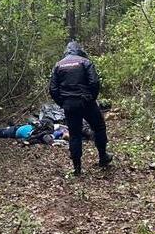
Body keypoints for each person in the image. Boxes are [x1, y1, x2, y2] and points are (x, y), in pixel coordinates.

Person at [48, 41, 112, 176]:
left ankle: (77, 168)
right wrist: (91, 98)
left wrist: (62, 102)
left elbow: (53, 88)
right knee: (99, 127)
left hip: (69, 105)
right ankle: (103, 157)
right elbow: (94, 82)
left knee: (75, 134)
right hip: (86, 102)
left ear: (67, 51)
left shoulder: (58, 65)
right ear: (79, 50)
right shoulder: (85, 62)